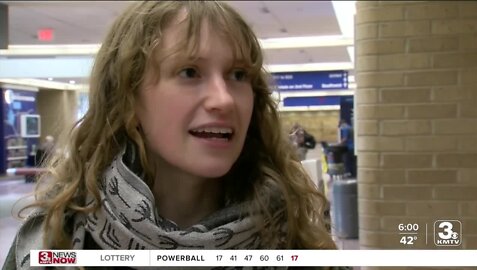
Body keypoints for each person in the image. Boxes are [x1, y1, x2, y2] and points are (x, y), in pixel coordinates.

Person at [4, 1, 341, 269]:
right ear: (128, 99)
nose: (224, 99)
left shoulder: (301, 239)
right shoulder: (54, 241)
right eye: (189, 72)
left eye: (238, 74)